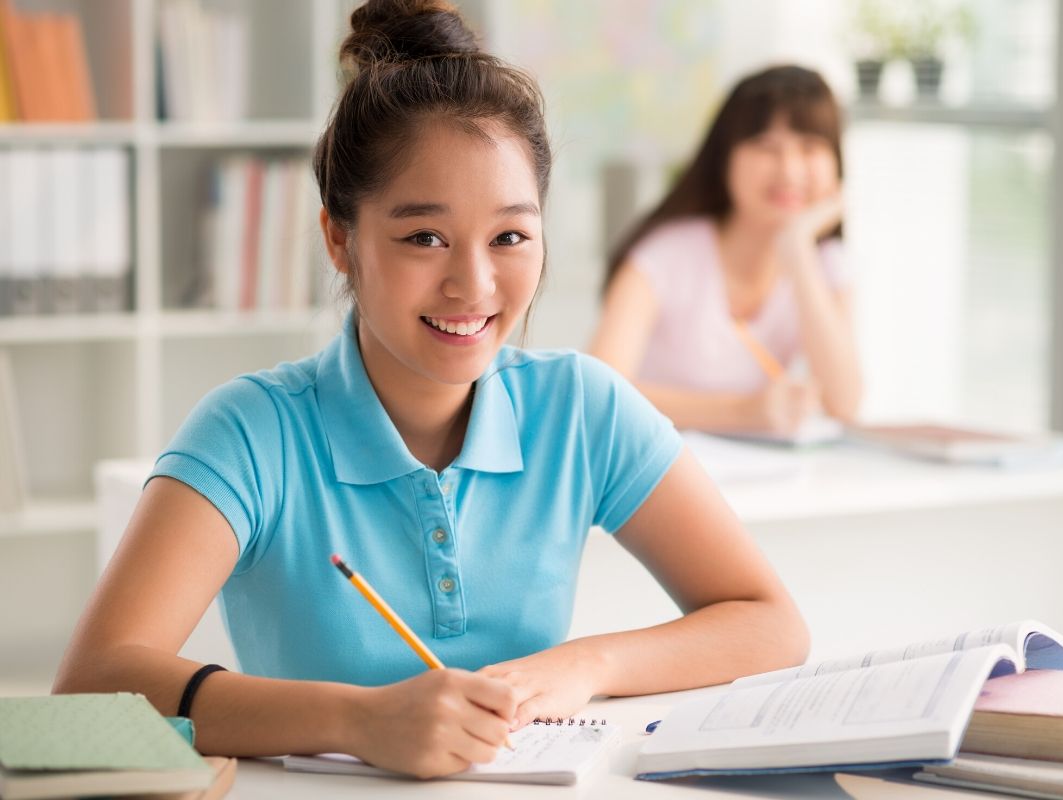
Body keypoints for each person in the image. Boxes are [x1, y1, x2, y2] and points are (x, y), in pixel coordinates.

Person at [52, 0, 808, 781]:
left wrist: (581, 666)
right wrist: (358, 719)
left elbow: (770, 623)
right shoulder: (253, 430)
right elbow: (90, 687)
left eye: (510, 236)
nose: (473, 285)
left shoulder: (582, 408)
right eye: (424, 237)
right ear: (339, 240)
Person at [589, 65, 862, 435]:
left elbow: (844, 404)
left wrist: (798, 248)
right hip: (650, 470)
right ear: (725, 160)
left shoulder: (825, 263)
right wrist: (742, 411)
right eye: (766, 147)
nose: (790, 169)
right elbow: (597, 393)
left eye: (810, 147)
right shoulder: (663, 257)